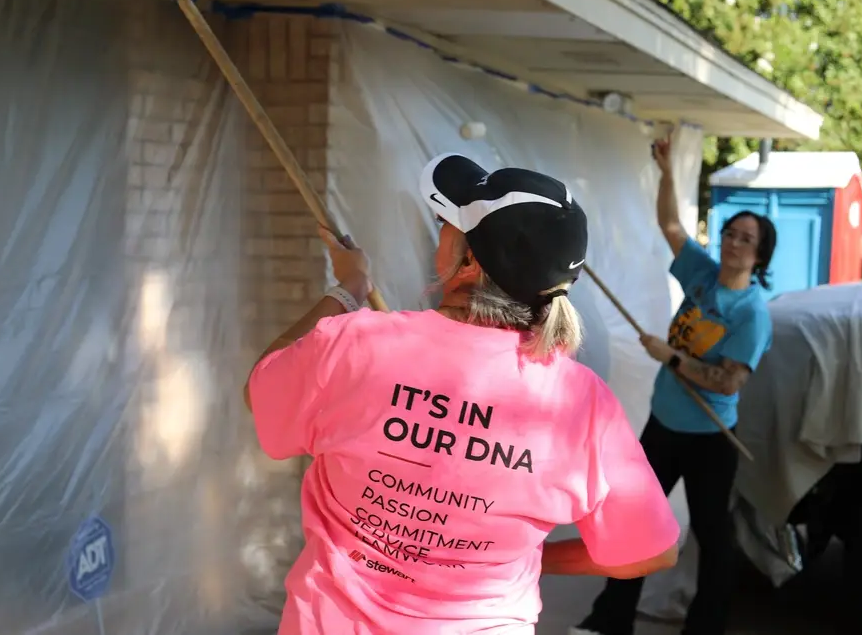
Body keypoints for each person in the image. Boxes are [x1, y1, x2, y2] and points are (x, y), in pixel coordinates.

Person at [245, 153, 681, 634]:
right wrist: (532, 559)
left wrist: (349, 288)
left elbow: (261, 388)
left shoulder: (355, 343)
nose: (439, 231)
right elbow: (651, 552)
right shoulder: (583, 404)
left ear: (469, 261)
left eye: (447, 224)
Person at [572, 136, 777, 635]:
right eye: (730, 233)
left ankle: (705, 626)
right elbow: (670, 225)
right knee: (634, 522)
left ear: (759, 256)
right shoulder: (704, 278)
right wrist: (666, 172)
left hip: (709, 440)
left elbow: (729, 383)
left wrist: (675, 360)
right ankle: (610, 620)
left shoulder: (751, 313)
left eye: (745, 239)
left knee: (712, 537)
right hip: (664, 426)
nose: (732, 242)